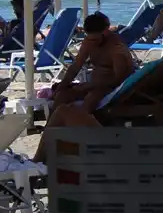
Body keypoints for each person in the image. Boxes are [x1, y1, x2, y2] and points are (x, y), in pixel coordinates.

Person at [38, 13, 138, 156]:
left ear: (105, 32)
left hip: (111, 88)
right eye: (89, 38)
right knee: (62, 95)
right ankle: (49, 134)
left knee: (90, 100)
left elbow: (119, 79)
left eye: (95, 39)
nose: (92, 42)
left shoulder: (117, 48)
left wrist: (90, 86)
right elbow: (76, 66)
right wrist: (63, 84)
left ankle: (78, 141)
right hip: (94, 84)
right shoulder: (89, 41)